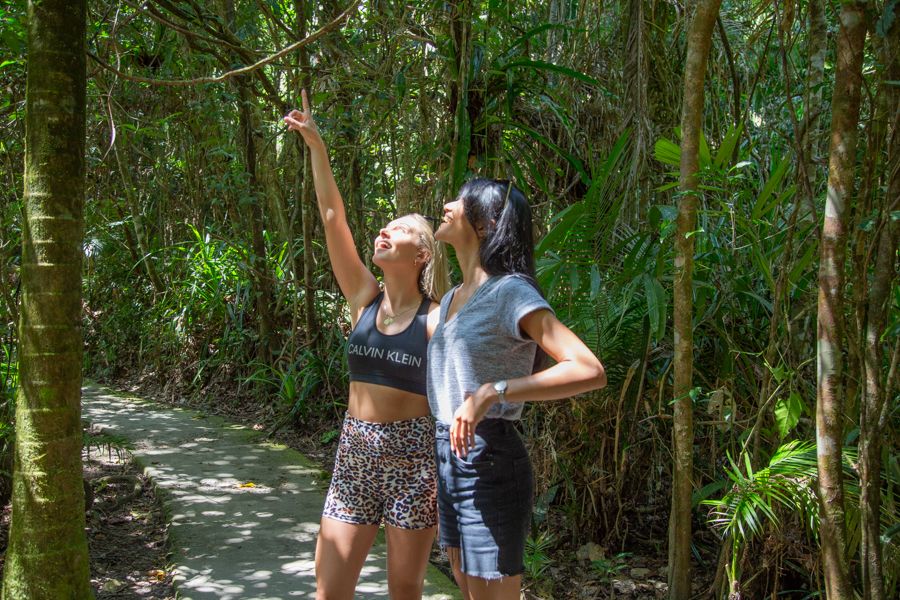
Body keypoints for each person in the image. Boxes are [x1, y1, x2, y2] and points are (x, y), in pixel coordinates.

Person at [284, 90, 449, 600]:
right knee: (329, 590)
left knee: (405, 589)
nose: (384, 230)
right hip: (354, 454)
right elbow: (333, 218)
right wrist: (317, 148)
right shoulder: (363, 299)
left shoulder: (439, 317)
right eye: (385, 224)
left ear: (422, 254)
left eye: (398, 229)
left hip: (413, 462)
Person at [428, 178, 607, 599]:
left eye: (461, 200)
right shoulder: (453, 296)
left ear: (487, 223)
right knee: (467, 587)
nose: (448, 204)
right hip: (448, 454)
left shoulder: (509, 291)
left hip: (489, 458)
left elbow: (588, 368)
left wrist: (495, 390)